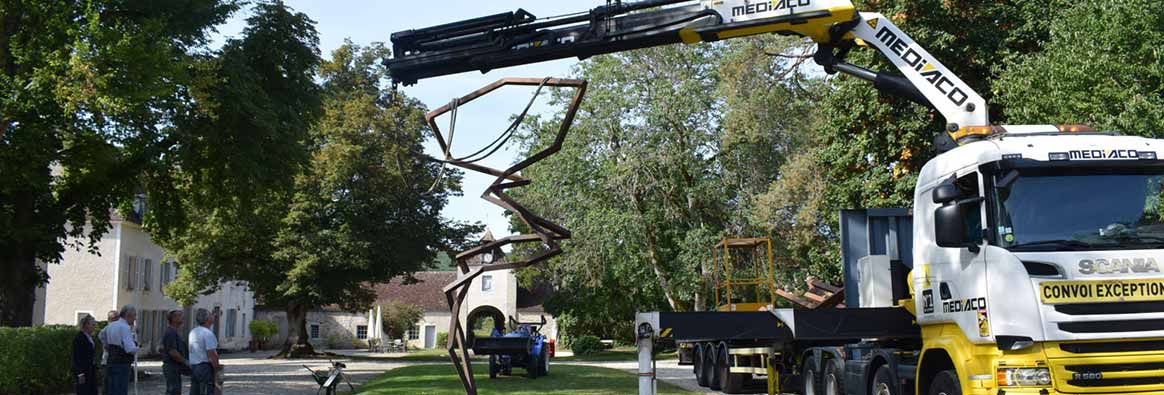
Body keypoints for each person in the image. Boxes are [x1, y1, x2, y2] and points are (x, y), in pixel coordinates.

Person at [98, 305, 137, 395]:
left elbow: (101, 335)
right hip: (122, 362)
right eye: (134, 315)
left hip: (111, 360)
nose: (135, 318)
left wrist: (107, 345)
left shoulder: (112, 325)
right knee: (120, 389)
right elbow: (130, 348)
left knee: (111, 389)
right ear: (128, 315)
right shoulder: (124, 327)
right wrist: (137, 348)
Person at [188, 308, 220, 395]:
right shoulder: (207, 333)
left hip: (194, 366)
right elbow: (211, 354)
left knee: (195, 391)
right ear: (208, 319)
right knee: (206, 390)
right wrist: (217, 369)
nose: (213, 316)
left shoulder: (193, 332)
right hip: (205, 366)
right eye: (211, 315)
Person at [162, 310, 192, 395]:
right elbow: (173, 352)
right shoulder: (171, 332)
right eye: (180, 316)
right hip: (171, 366)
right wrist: (185, 361)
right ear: (173, 318)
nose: (182, 318)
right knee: (173, 391)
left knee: (175, 391)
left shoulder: (174, 332)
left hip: (175, 367)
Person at [72, 315, 98, 395]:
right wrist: (80, 373)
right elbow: (77, 356)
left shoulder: (89, 337)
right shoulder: (79, 338)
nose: (94, 327)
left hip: (90, 369)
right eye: (92, 325)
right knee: (84, 391)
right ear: (86, 325)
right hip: (83, 371)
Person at [98, 310, 119, 390]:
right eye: (116, 318)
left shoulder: (117, 328)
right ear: (111, 319)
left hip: (116, 360)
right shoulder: (106, 329)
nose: (118, 320)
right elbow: (101, 337)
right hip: (107, 360)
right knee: (107, 384)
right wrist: (107, 346)